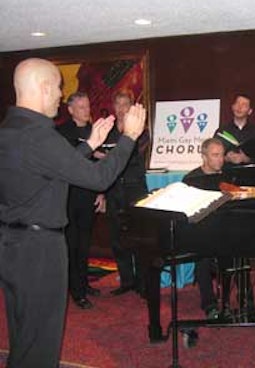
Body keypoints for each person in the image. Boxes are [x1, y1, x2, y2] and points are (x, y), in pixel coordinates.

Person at [0, 57, 146, 368]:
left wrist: (87, 145)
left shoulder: (11, 129)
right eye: (57, 87)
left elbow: (47, 171)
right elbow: (98, 178)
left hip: (12, 244)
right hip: (40, 250)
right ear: (43, 87)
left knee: (24, 333)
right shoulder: (40, 135)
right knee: (40, 341)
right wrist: (130, 137)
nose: (59, 95)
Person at [184, 138, 255, 319]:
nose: (220, 160)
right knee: (202, 258)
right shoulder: (191, 179)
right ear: (203, 156)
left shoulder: (228, 176)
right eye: (215, 155)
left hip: (226, 229)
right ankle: (210, 305)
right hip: (201, 232)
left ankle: (247, 301)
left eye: (221, 156)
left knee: (241, 252)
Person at [57, 91, 105, 309]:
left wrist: (101, 192)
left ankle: (84, 285)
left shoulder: (92, 130)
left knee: (85, 244)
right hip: (67, 196)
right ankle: (76, 292)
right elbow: (68, 162)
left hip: (88, 195)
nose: (87, 111)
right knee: (72, 244)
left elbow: (99, 167)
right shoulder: (61, 131)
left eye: (88, 106)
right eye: (82, 107)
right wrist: (91, 151)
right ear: (71, 110)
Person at [105, 91, 149, 296]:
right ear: (114, 106)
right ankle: (126, 281)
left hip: (134, 188)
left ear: (131, 107)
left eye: (126, 105)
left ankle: (142, 283)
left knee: (139, 236)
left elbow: (130, 156)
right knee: (117, 237)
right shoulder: (106, 130)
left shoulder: (141, 130)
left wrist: (124, 137)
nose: (122, 109)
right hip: (113, 189)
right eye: (118, 104)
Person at [215, 93, 255, 165]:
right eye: (237, 103)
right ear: (232, 107)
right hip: (227, 174)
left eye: (244, 105)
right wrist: (226, 158)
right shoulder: (222, 131)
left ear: (250, 111)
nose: (239, 107)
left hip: (249, 174)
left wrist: (246, 159)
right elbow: (213, 156)